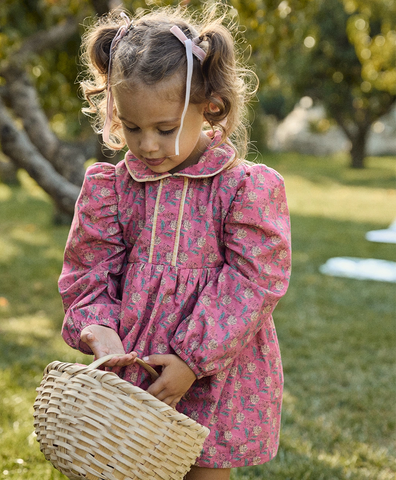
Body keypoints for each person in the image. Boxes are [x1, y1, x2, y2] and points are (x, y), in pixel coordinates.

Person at [59, 5, 291, 479]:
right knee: (129, 466)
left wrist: (192, 357)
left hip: (213, 370)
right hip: (138, 368)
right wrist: (98, 328)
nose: (146, 146)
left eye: (165, 129)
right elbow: (89, 270)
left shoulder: (242, 187)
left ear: (209, 105)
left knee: (204, 469)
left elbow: (254, 279)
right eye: (131, 126)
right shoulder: (113, 189)